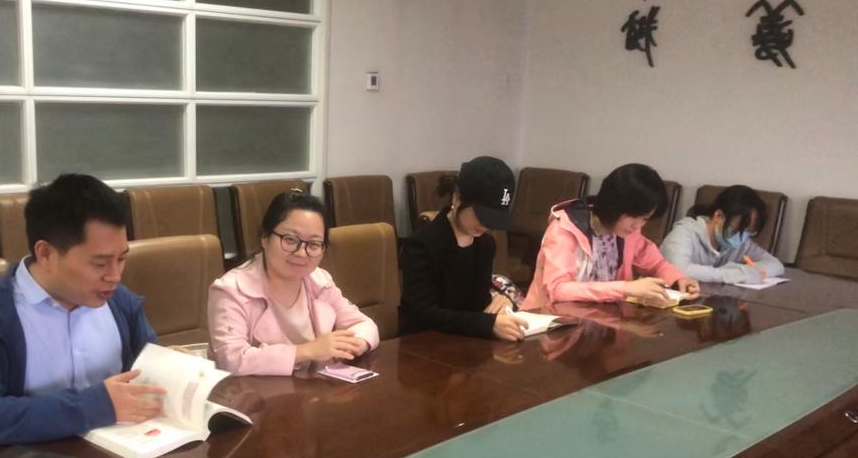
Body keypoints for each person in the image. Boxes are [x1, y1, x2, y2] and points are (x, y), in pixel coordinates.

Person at [0, 174, 166, 446]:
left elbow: (148, 373)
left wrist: (172, 367)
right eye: (100, 264)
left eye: (122, 259)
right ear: (46, 253)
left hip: (121, 455)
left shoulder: (120, 302)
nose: (115, 276)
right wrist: (94, 406)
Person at [208, 189, 379, 376]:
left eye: (313, 244)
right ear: (265, 237)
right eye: (290, 240)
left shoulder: (319, 280)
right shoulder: (231, 289)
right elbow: (231, 360)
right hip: (256, 392)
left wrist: (357, 343)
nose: (301, 253)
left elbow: (364, 325)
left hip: (314, 388)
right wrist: (306, 351)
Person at [521, 163, 699, 311]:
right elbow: (557, 290)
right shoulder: (564, 230)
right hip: (548, 322)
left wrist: (678, 279)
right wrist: (626, 288)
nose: (638, 225)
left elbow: (656, 264)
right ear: (613, 205)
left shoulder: (629, 234)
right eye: (633, 216)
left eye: (645, 218)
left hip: (599, 321)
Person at [399, 156, 527, 340]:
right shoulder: (421, 245)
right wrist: (487, 324)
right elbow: (423, 314)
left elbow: (477, 305)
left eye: (493, 219)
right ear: (457, 198)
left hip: (467, 343)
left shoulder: (485, 245)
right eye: (481, 215)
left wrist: (498, 303)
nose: (485, 225)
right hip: (423, 344)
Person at [660, 185, 785, 284]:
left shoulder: (740, 242)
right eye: (738, 229)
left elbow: (776, 265)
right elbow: (678, 270)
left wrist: (740, 272)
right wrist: (736, 274)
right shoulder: (684, 233)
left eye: (749, 232)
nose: (742, 237)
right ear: (718, 216)